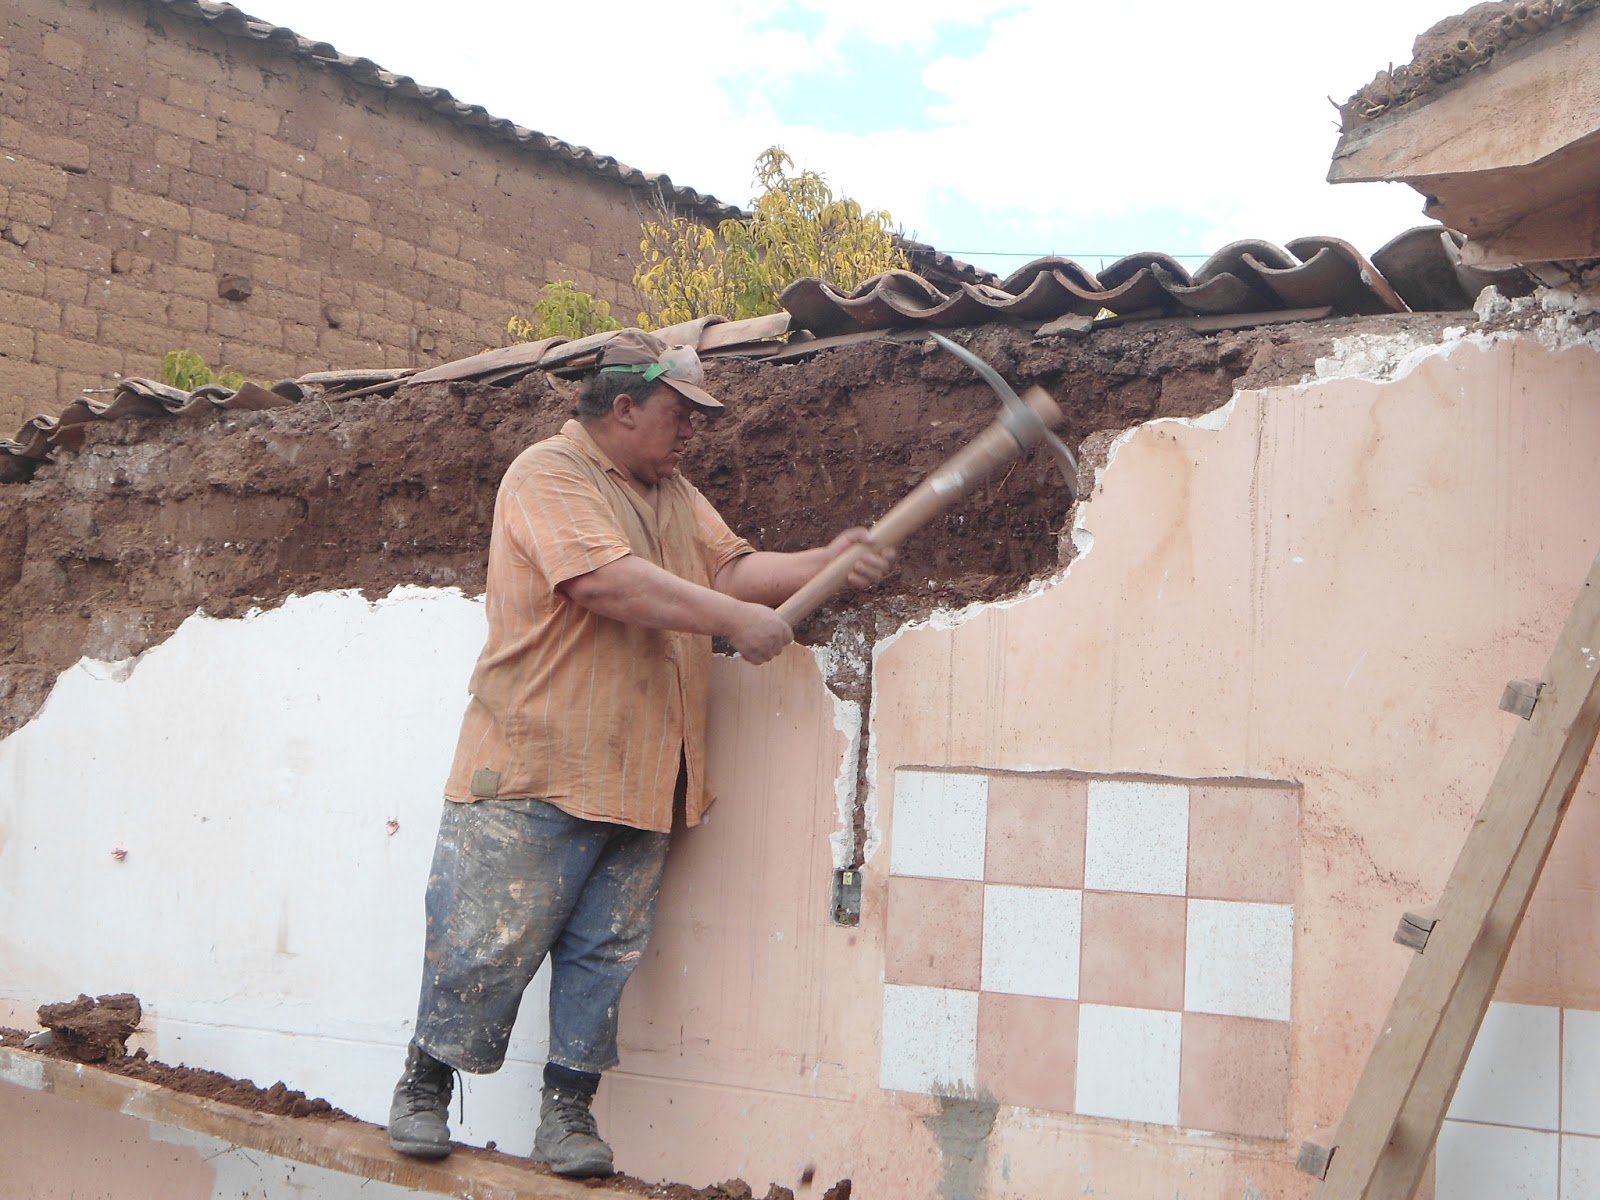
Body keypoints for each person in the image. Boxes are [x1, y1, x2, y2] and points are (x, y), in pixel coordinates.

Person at [387, 328, 893, 1177]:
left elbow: (730, 572)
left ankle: (567, 1117)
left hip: (645, 773)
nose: (691, 431)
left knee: (603, 956)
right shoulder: (548, 474)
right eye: (678, 413)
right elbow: (603, 581)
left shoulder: (673, 490)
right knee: (484, 939)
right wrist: (737, 626)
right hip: (536, 764)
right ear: (624, 408)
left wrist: (825, 562)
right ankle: (423, 1088)